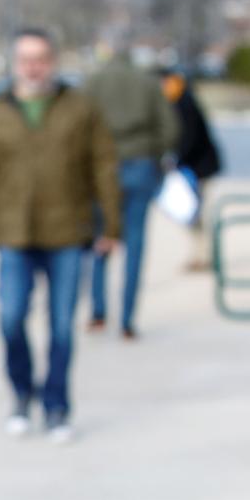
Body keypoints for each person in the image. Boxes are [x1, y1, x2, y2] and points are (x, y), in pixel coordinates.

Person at [0, 27, 120, 443]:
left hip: (68, 233)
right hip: (15, 234)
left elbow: (104, 167)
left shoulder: (80, 108)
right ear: (15, 64)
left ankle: (57, 406)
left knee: (62, 328)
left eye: (41, 58)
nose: (33, 67)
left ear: (53, 62)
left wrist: (112, 226)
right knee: (10, 320)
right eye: (26, 59)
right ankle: (22, 394)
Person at [83, 40, 179, 337]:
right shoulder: (148, 84)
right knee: (134, 244)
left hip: (103, 169)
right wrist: (152, 151)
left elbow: (80, 126)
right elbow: (171, 129)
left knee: (101, 239)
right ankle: (127, 318)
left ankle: (98, 311)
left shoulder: (94, 83)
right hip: (140, 165)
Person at [162, 67, 222, 271]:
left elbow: (190, 138)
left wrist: (177, 159)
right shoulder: (179, 101)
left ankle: (204, 257)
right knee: (192, 214)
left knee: (198, 213)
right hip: (193, 167)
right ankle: (198, 255)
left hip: (199, 167)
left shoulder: (184, 103)